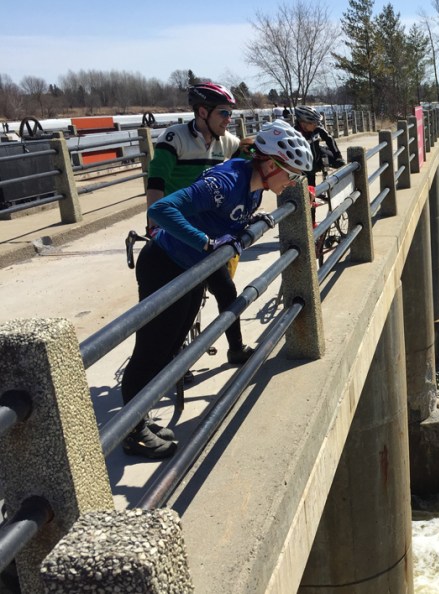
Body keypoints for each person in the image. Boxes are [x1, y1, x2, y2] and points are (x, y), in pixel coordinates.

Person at [122, 119, 313, 458]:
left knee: (172, 344)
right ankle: (131, 431)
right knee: (152, 348)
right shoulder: (227, 182)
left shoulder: (257, 185)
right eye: (293, 174)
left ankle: (140, 417)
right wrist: (206, 243)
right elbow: (161, 209)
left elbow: (229, 220)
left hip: (193, 267)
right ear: (271, 165)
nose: (294, 182)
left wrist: (248, 227)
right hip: (166, 264)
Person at [146, 82, 255, 368]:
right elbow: (157, 181)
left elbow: (246, 163)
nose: (228, 120)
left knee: (227, 291)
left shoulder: (226, 142)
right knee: (176, 307)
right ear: (202, 112)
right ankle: (173, 361)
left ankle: (235, 349)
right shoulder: (176, 137)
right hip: (176, 227)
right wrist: (153, 223)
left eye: (230, 114)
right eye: (223, 113)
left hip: (207, 233)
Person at [293, 105, 346, 186]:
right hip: (306, 163)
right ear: (303, 123)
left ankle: (332, 186)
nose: (316, 124)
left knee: (340, 163)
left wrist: (338, 156)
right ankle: (312, 194)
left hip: (318, 153)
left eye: (317, 122)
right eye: (313, 122)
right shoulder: (294, 134)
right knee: (310, 186)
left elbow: (329, 139)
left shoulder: (317, 128)